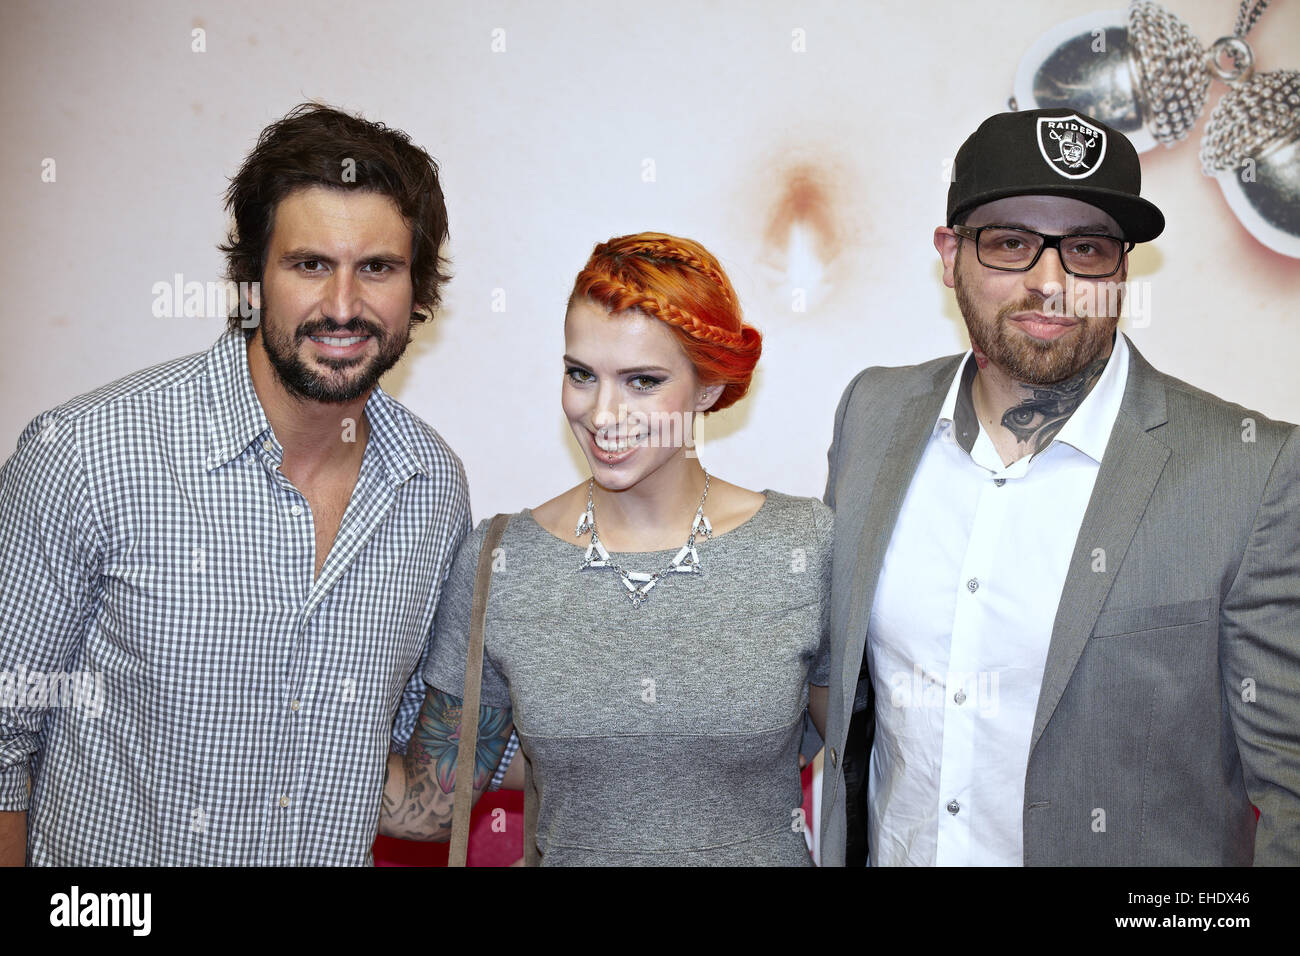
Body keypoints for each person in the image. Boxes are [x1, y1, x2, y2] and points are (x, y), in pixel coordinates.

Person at [820, 108, 1300, 866]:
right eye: (1010, 244)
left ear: (1122, 269)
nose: (1052, 283)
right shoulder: (872, 416)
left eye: (1086, 249)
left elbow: (1291, 792)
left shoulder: (1253, 471)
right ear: (950, 255)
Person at [0, 102, 471, 865]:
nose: (343, 306)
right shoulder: (86, 455)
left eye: (377, 267)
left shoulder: (431, 488)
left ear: (418, 290)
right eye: (310, 264)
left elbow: (404, 773)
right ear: (252, 279)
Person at [379, 232, 832, 865]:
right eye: (581, 375)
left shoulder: (802, 547)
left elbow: (864, 755)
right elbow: (431, 805)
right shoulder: (501, 562)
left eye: (643, 381)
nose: (602, 412)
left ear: (707, 389)